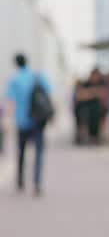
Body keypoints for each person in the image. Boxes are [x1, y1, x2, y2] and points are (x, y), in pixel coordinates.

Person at [5, 53, 51, 196]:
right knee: (38, 152)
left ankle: (20, 181)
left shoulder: (14, 80)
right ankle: (37, 183)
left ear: (16, 64)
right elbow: (48, 93)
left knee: (21, 152)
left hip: (22, 121)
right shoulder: (37, 77)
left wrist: (7, 120)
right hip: (37, 121)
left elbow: (9, 102)